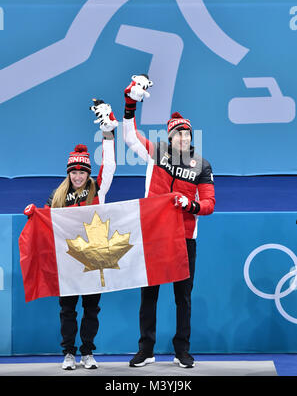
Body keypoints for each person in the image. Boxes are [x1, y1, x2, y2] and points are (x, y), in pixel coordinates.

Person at [122, 74, 215, 368]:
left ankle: (182, 350)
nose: (183, 138)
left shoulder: (201, 165)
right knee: (148, 295)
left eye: (187, 133)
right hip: (154, 235)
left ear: (191, 136)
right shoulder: (157, 153)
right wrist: (129, 107)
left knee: (182, 298)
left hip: (185, 238)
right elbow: (129, 136)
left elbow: (210, 204)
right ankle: (146, 349)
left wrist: (192, 204)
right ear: (170, 137)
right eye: (178, 134)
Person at [24, 101, 117, 371]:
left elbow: (109, 166)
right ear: (69, 173)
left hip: (94, 257)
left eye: (82, 171)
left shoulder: (98, 190)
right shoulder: (57, 195)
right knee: (67, 310)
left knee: (91, 309)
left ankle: (87, 353)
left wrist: (108, 136)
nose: (78, 176)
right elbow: (46, 221)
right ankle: (68, 354)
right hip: (67, 261)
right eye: (74, 172)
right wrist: (33, 214)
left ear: (88, 173)